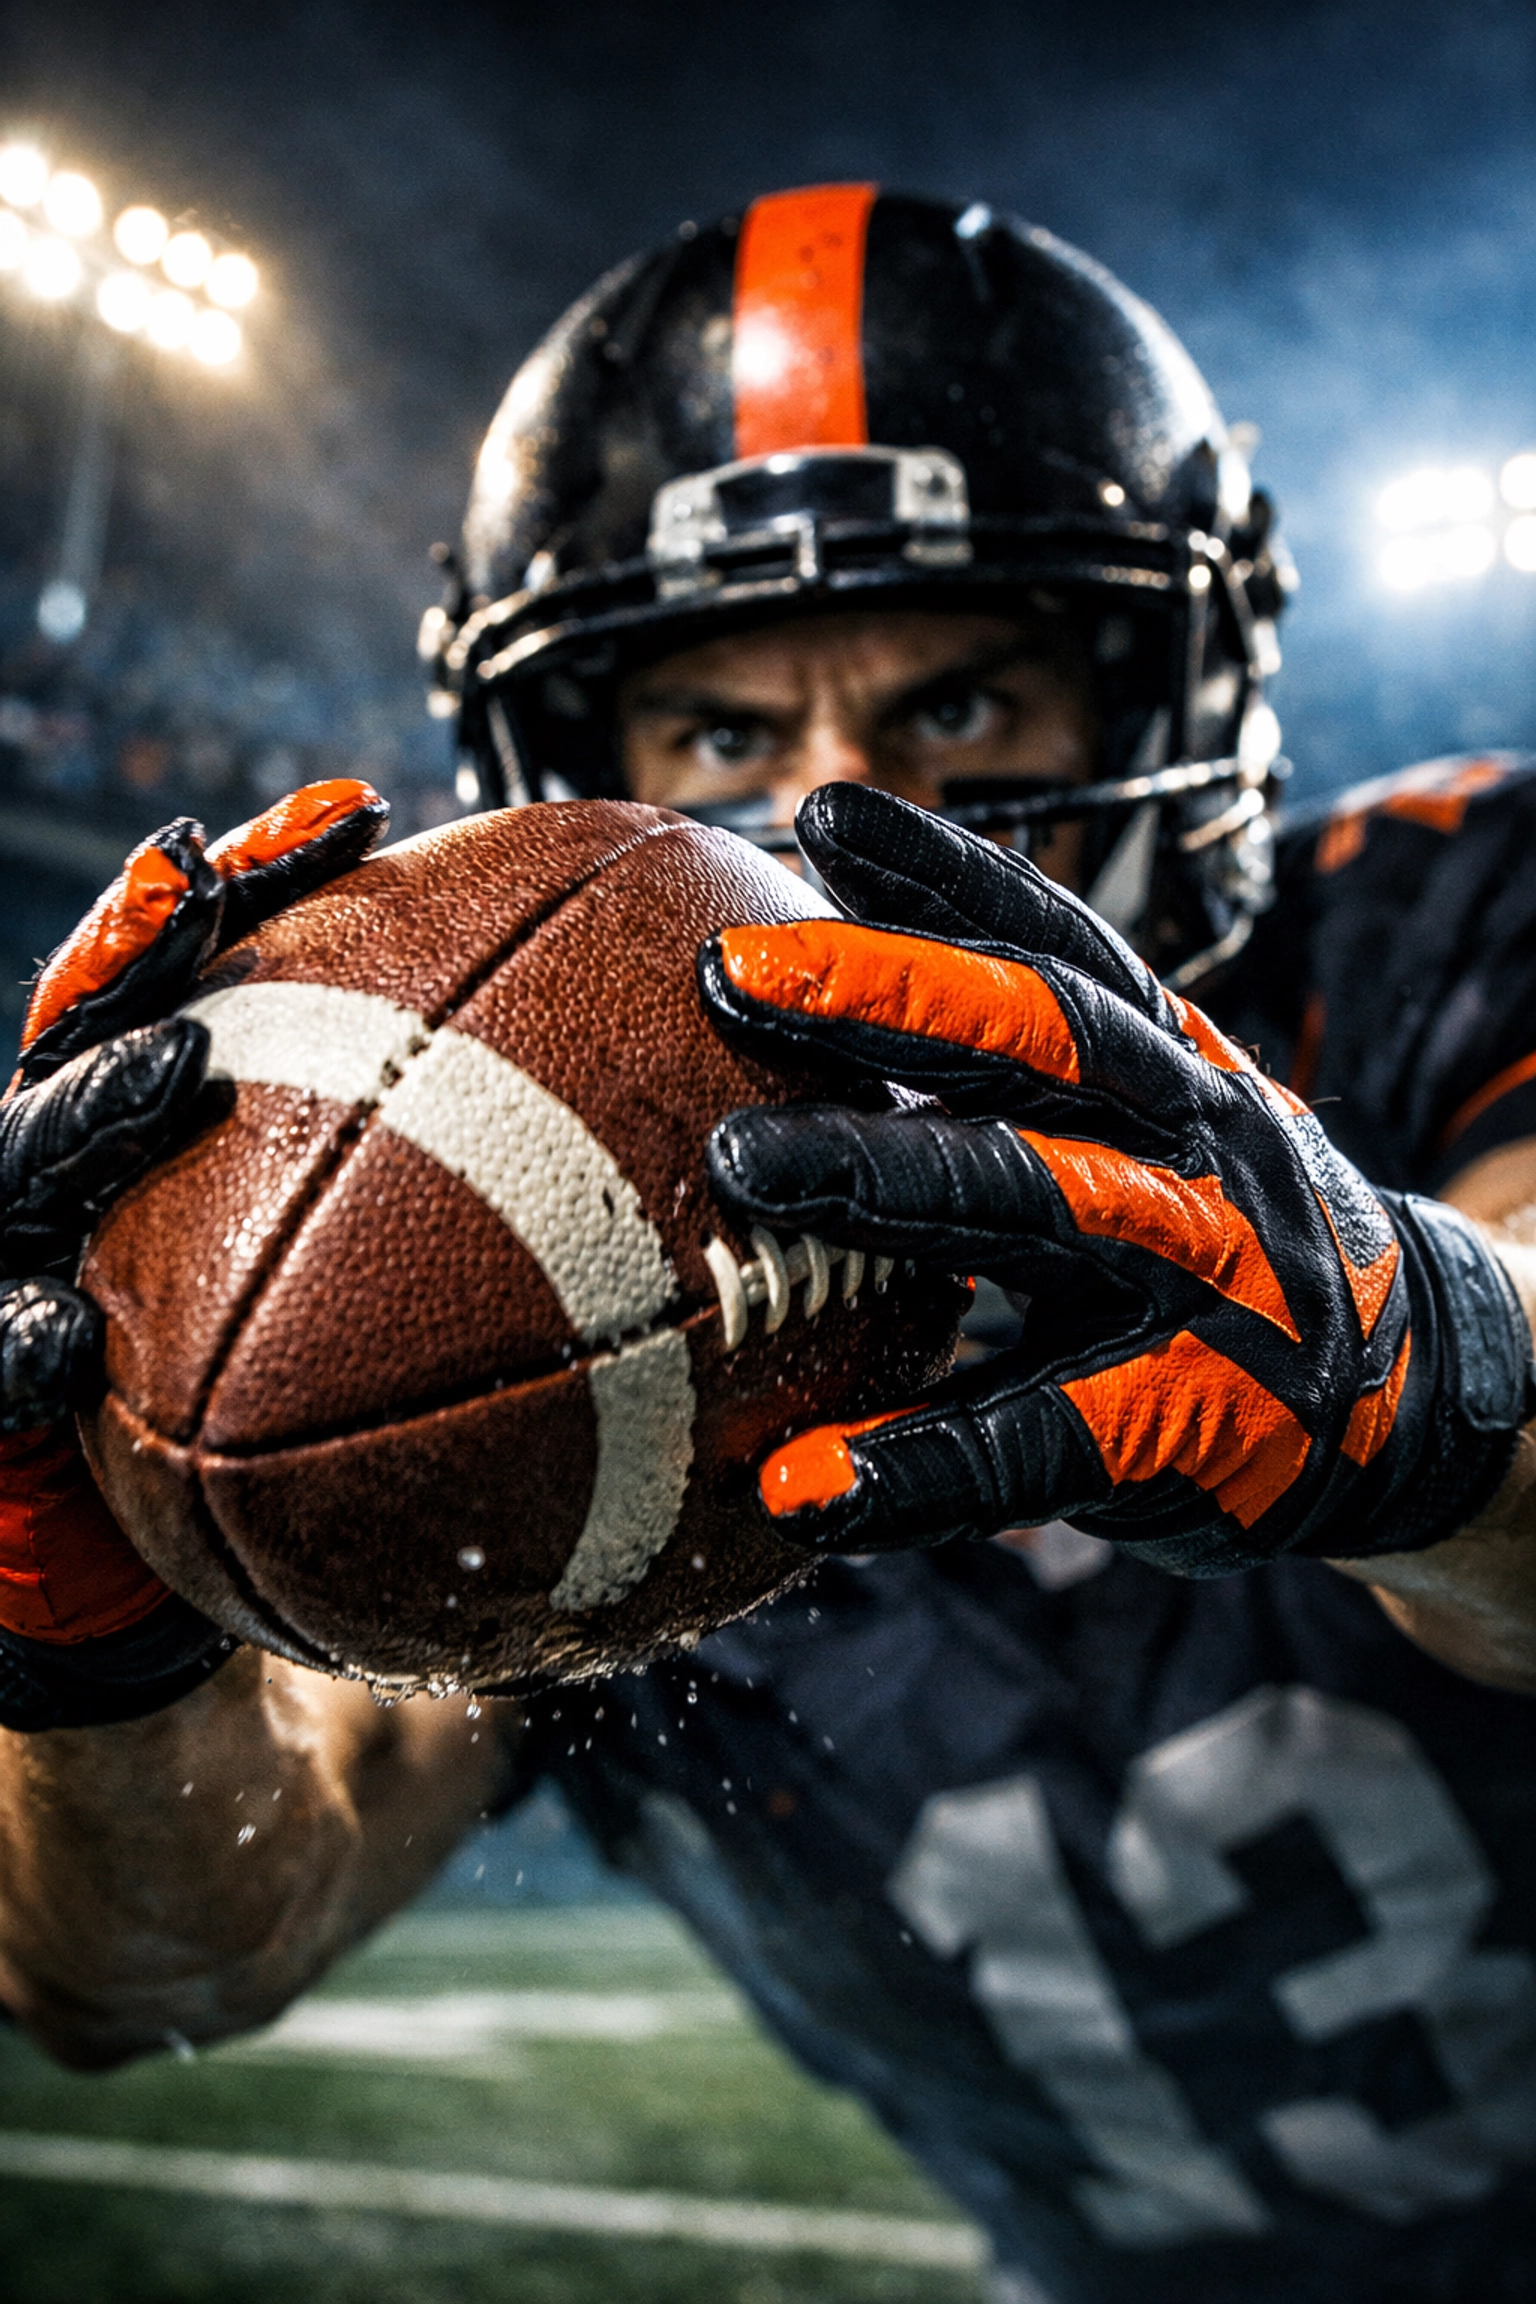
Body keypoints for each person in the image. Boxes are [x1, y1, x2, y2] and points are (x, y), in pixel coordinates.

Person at [1, 186, 1534, 2304]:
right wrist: (101, 1659)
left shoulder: (1449, 914)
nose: (838, 827)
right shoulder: (529, 1277)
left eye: (968, 706)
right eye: (721, 739)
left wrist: (1417, 1352)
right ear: (565, 783)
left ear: (1170, 707)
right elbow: (163, 1957)